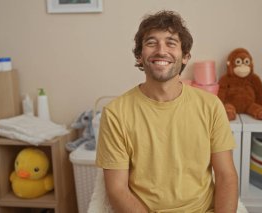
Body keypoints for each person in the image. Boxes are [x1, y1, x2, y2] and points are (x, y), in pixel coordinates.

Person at [96, 10, 238, 213]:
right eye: (151, 43)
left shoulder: (211, 106)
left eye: (171, 43)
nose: (161, 51)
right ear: (139, 56)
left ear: (185, 56)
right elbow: (117, 189)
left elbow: (226, 175)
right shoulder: (115, 113)